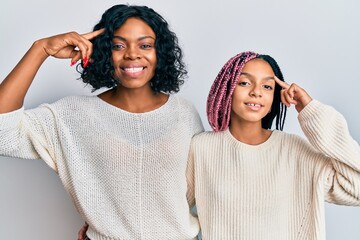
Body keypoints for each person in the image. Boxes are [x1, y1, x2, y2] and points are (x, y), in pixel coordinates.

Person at [0, 4, 203, 240]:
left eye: (145, 45)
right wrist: (40, 49)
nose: (132, 54)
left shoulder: (184, 113)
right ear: (105, 52)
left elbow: (195, 193)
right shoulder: (73, 114)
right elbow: (3, 135)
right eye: (118, 46)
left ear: (161, 53)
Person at [186, 51, 360, 240]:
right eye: (244, 82)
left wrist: (310, 110)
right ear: (227, 89)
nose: (256, 92)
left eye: (267, 86)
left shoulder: (294, 150)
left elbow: (355, 188)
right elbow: (172, 212)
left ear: (274, 98)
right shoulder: (201, 148)